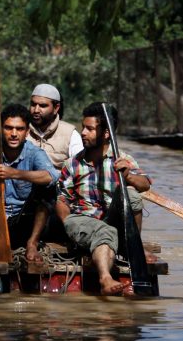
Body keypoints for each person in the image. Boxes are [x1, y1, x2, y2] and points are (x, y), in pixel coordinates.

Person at [56, 103, 151, 295]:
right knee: (103, 230)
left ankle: (135, 247)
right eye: (83, 127)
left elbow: (145, 184)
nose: (83, 133)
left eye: (90, 129)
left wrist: (128, 176)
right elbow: (62, 200)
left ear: (106, 134)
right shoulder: (73, 164)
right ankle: (105, 278)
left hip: (110, 222)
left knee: (131, 196)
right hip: (82, 220)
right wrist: (67, 223)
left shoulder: (122, 159)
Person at [0, 104, 60, 261]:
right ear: (0, 129)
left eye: (19, 129)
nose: (14, 134)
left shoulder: (33, 153)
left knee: (49, 189)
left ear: (27, 132)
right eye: (8, 128)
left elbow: (52, 175)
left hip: (23, 222)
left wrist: (15, 173)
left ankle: (32, 243)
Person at [27, 84, 83, 169]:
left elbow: (80, 169)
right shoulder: (21, 130)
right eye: (33, 104)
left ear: (56, 108)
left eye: (43, 106)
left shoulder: (70, 134)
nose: (36, 110)